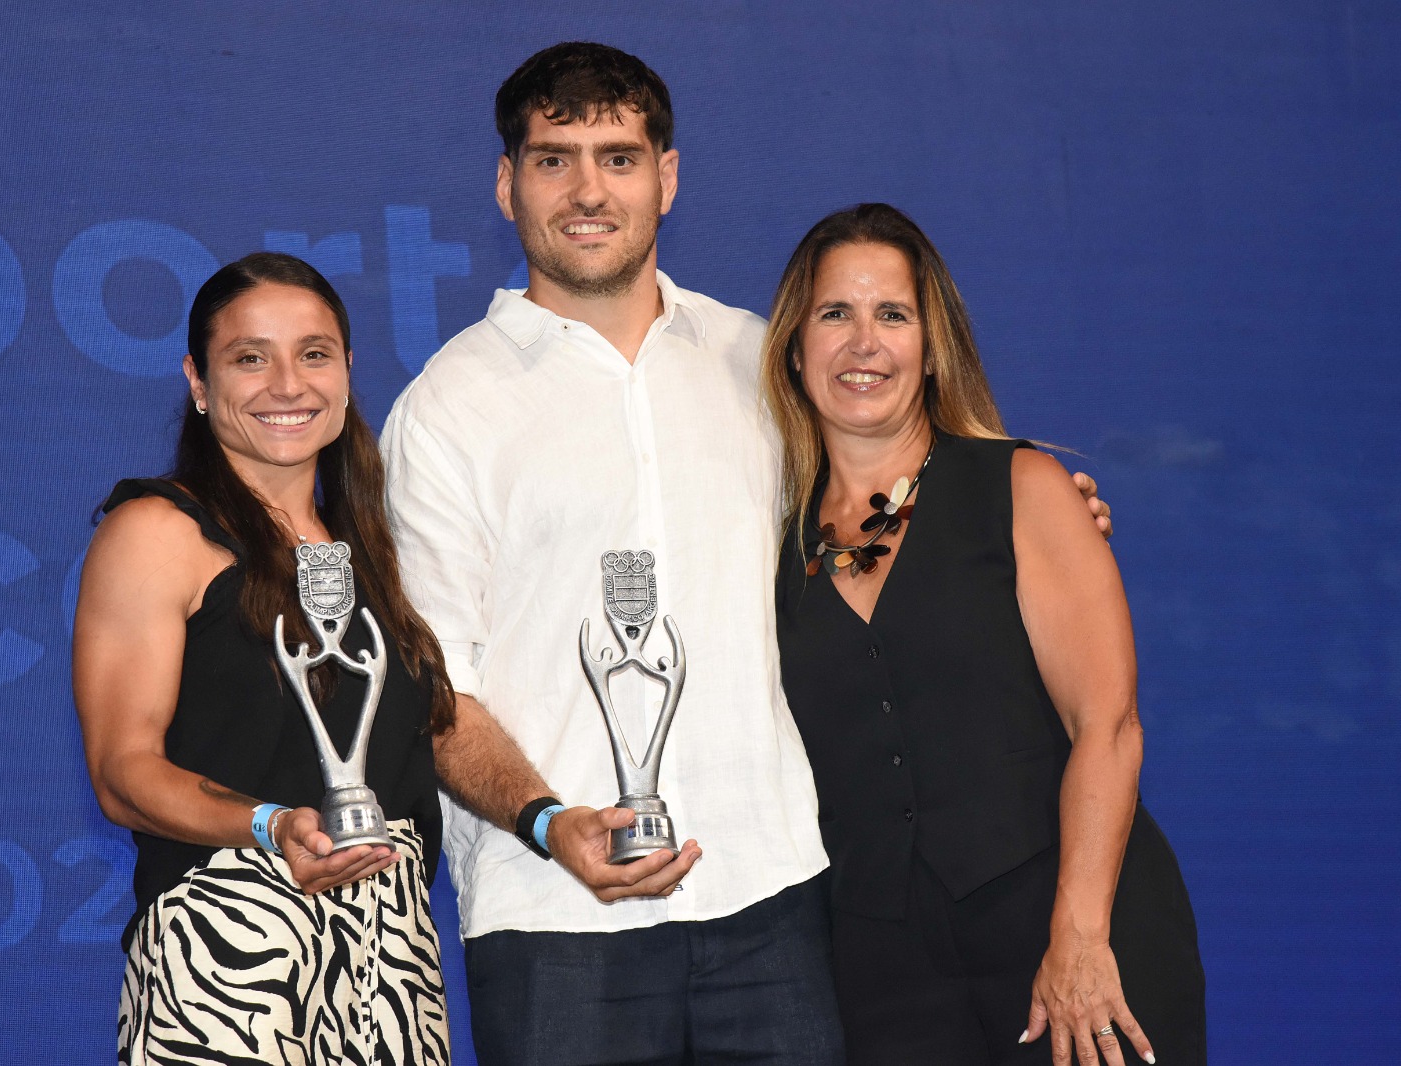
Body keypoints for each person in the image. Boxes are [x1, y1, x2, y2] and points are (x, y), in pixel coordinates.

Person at [385, 43, 1112, 1064]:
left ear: (667, 177)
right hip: (556, 922)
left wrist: (1034, 507)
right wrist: (550, 823)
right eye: (554, 159)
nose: (588, 190)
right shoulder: (443, 412)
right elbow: (435, 690)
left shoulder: (756, 363)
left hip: (779, 902)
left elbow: (898, 484)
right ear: (507, 185)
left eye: (618, 157)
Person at [764, 203, 1205, 1066]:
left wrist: (1079, 937)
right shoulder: (770, 545)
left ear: (933, 348)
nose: (864, 343)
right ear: (793, 345)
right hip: (889, 981)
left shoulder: (1023, 487)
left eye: (893, 315)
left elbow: (1107, 725)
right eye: (835, 313)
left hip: (1073, 940)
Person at [73, 252, 453, 1064]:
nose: (288, 385)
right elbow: (121, 771)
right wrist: (270, 826)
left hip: (391, 960)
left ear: (346, 372)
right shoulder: (157, 533)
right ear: (198, 381)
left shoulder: (371, 546)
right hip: (230, 952)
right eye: (250, 358)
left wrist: (548, 817)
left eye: (314, 354)